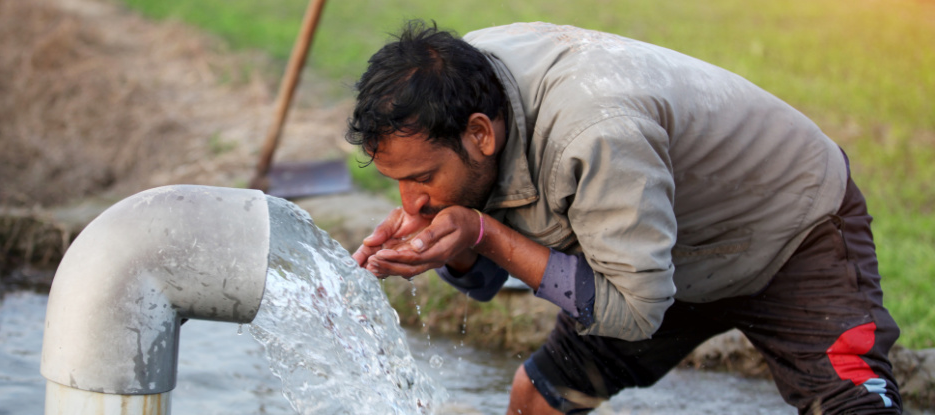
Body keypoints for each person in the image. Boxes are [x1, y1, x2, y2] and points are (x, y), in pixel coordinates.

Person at [345, 20, 901, 414]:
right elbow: (485, 280)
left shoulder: (596, 135)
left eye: (420, 178)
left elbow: (637, 314)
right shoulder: (463, 92)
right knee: (539, 400)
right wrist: (456, 239)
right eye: (398, 181)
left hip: (788, 225)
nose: (409, 203)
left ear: (480, 134)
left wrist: (484, 233)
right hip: (652, 251)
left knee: (852, 407)